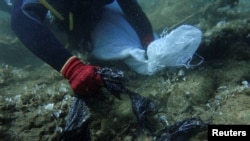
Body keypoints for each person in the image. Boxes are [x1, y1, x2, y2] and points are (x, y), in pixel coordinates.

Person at [10, 0, 154, 96]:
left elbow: (129, 4)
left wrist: (146, 35)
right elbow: (21, 18)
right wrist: (72, 68)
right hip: (57, 18)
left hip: (87, 12)